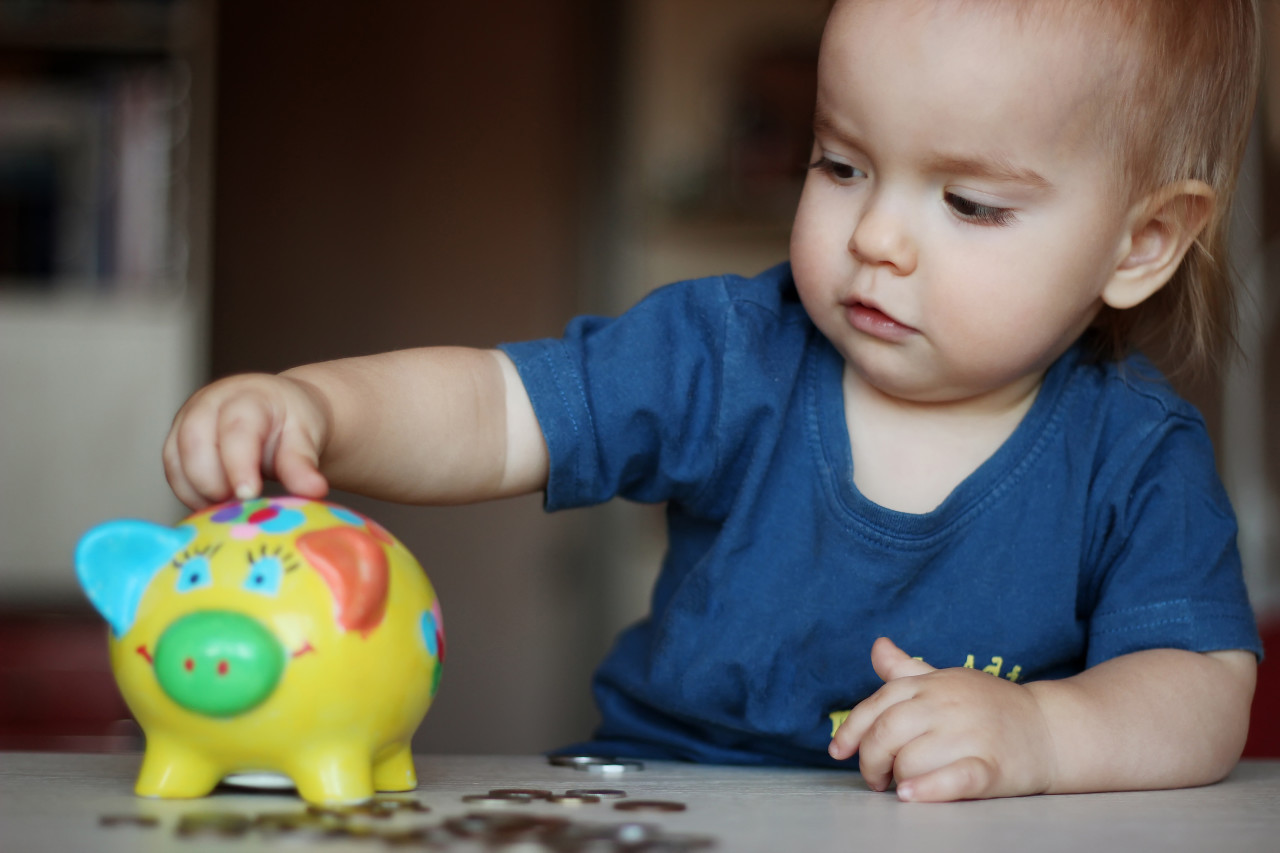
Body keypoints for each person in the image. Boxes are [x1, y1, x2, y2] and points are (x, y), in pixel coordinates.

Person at [163, 0, 1263, 802]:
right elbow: (499, 407)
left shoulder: (1133, 454)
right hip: (665, 798)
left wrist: (1038, 736)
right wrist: (315, 405)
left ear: (1140, 243)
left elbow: (1200, 688)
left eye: (967, 202)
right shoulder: (729, 351)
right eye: (838, 165)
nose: (875, 237)